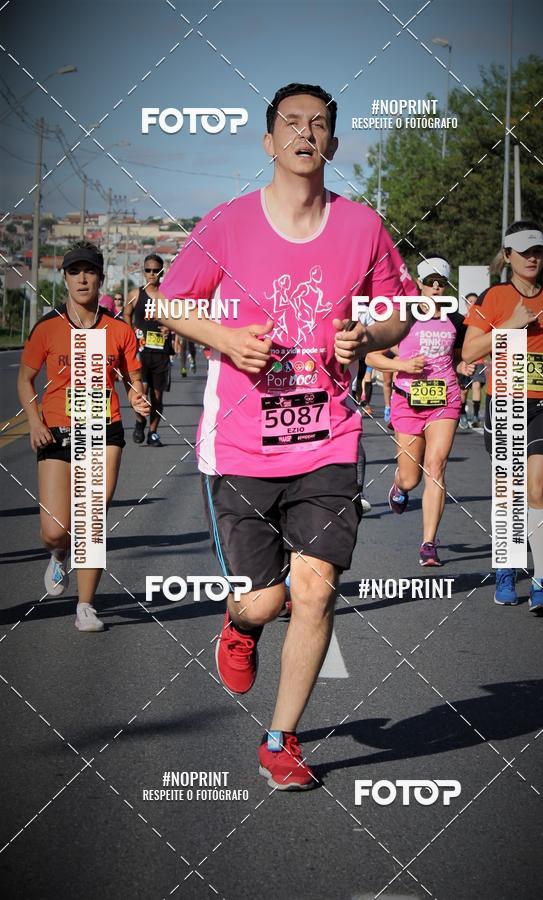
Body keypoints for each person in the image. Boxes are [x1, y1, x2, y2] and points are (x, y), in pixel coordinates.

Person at [155, 82, 417, 790]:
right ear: (269, 141)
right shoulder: (227, 224)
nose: (307, 132)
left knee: (317, 588)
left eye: (321, 124)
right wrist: (223, 337)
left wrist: (370, 334)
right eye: (292, 123)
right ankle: (240, 624)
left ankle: (282, 741)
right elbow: (166, 302)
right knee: (267, 598)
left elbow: (401, 312)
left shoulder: (362, 225)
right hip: (243, 447)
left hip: (328, 439)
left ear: (332, 144)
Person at [16, 241, 150, 631]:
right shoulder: (49, 326)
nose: (82, 278)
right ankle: (59, 556)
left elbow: (133, 377)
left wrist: (137, 397)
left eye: (89, 271)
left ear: (100, 277)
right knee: (55, 530)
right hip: (55, 431)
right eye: (74, 271)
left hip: (102, 429)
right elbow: (25, 379)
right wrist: (35, 421)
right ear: (65, 278)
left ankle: (86, 606)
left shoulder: (119, 329)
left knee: (91, 516)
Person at [462, 221, 543, 612]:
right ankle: (508, 567)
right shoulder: (495, 297)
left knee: (539, 490)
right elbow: (468, 352)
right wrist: (510, 325)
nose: (532, 258)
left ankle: (542, 581)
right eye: (524, 252)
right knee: (508, 493)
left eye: (538, 252)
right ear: (507, 255)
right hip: (506, 400)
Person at [366, 254, 474, 567]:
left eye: (442, 284)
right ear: (420, 284)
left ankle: (429, 543)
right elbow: (371, 356)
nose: (437, 289)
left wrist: (463, 366)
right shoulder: (403, 314)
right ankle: (399, 486)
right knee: (412, 478)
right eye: (431, 283)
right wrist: (401, 364)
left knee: (436, 466)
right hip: (407, 400)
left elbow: (458, 355)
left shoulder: (456, 317)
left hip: (445, 399)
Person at [123, 254, 169, 447]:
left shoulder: (168, 296)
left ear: (161, 272)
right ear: (144, 272)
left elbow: (181, 319)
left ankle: (153, 433)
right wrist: (130, 333)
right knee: (141, 393)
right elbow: (126, 314)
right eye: (148, 270)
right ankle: (140, 421)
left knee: (157, 397)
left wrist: (170, 329)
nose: (152, 274)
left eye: (156, 270)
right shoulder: (135, 294)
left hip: (160, 353)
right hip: (140, 353)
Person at [457, 292, 487, 429]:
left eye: (475, 302)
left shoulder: (484, 320)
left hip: (479, 361)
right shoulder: (461, 320)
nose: (472, 305)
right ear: (466, 304)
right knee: (463, 390)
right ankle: (462, 414)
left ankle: (475, 416)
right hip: (464, 361)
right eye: (470, 302)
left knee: (476, 386)